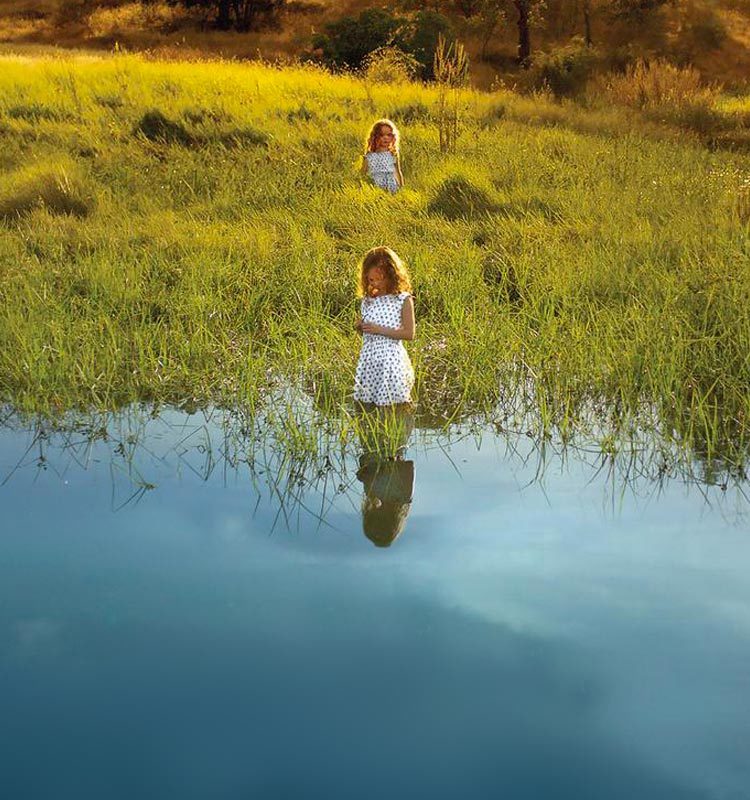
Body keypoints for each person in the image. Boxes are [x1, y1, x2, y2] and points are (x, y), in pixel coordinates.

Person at [354, 246, 415, 407]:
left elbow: (409, 334)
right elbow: (367, 334)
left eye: (380, 279)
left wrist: (380, 330)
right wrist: (361, 327)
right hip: (369, 361)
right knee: (366, 408)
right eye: (371, 280)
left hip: (390, 364)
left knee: (393, 409)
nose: (376, 284)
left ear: (392, 276)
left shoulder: (402, 299)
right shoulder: (368, 301)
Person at [360, 119, 404, 194]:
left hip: (391, 185)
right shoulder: (370, 155)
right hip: (375, 186)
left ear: (393, 136)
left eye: (389, 135)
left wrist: (401, 188)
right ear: (375, 136)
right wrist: (361, 188)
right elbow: (363, 173)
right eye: (381, 135)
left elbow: (398, 171)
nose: (385, 137)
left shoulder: (393, 154)